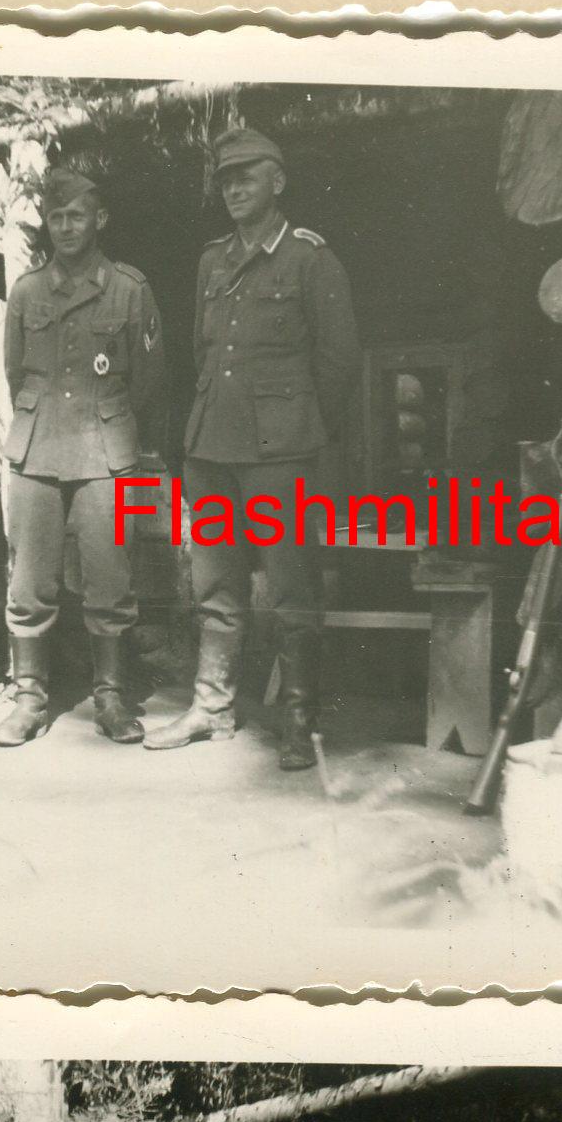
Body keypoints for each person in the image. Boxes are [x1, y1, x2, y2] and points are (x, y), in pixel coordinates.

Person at [146, 127, 360, 773]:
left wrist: (297, 428)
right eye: (225, 179)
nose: (234, 187)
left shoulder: (309, 259)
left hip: (279, 453)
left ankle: (297, 717)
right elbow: (200, 352)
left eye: (247, 175)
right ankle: (211, 707)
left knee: (292, 587)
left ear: (277, 181)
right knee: (214, 583)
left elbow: (338, 361)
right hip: (211, 445)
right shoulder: (211, 261)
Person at [0, 152, 166, 750]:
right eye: (56, 216)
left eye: (77, 216)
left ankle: (111, 698)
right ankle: (28, 699)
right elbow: (16, 372)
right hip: (38, 448)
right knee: (30, 580)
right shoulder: (25, 291)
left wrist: (108, 418)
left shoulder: (129, 289)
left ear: (101, 219)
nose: (66, 226)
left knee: (110, 580)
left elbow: (147, 380)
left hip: (104, 452)